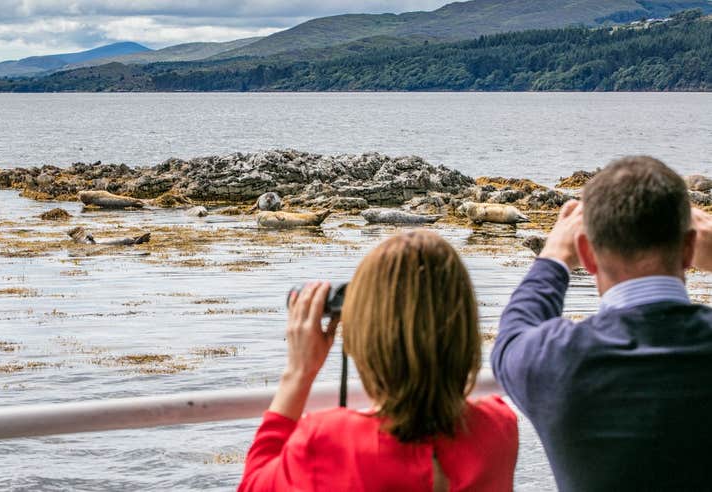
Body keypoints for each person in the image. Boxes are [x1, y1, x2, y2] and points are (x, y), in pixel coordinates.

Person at [492, 156, 712, 491]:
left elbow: (511, 336)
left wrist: (553, 258)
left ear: (587, 253)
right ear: (690, 248)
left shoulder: (556, 361)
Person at [240, 230, 517, 491]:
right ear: (465, 327)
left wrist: (298, 373)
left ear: (364, 337)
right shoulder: (498, 427)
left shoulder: (327, 440)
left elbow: (253, 483)